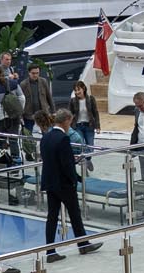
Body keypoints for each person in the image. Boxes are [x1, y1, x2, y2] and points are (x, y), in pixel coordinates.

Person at [38, 109, 103, 263]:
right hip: (64, 184)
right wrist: (75, 179)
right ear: (66, 120)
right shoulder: (63, 139)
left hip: (50, 182)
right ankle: (83, 244)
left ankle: (50, 251)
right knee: (74, 214)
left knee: (52, 217)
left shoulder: (45, 137)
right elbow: (66, 165)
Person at [22, 63, 56, 133]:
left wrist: (53, 111)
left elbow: (49, 97)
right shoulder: (23, 84)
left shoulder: (43, 81)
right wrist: (21, 116)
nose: (35, 75)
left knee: (46, 133)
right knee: (28, 135)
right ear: (29, 73)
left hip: (43, 113)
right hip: (29, 114)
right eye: (33, 73)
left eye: (37, 73)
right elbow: (21, 101)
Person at [69, 80, 101, 147]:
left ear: (83, 88)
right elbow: (69, 114)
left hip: (89, 126)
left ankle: (87, 157)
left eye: (78, 89)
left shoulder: (91, 99)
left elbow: (95, 113)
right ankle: (82, 157)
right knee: (80, 146)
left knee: (90, 148)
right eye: (75, 90)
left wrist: (98, 126)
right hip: (77, 127)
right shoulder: (72, 101)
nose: (77, 92)